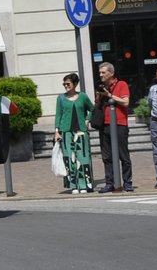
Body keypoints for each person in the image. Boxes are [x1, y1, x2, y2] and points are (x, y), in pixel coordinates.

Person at [92, 62, 133, 193]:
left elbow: (126, 102)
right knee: (107, 156)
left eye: (103, 72)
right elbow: (97, 105)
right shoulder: (101, 88)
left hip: (119, 124)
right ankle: (109, 183)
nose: (101, 75)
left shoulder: (122, 85)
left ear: (111, 73)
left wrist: (109, 95)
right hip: (104, 125)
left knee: (123, 155)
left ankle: (127, 182)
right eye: (99, 72)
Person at [54, 73, 94, 194]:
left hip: (81, 131)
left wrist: (87, 120)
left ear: (75, 84)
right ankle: (73, 185)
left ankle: (85, 184)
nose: (66, 86)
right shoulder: (60, 98)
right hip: (66, 132)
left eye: (68, 84)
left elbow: (92, 109)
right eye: (64, 84)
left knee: (83, 158)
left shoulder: (83, 97)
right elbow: (58, 115)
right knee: (69, 159)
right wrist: (57, 131)